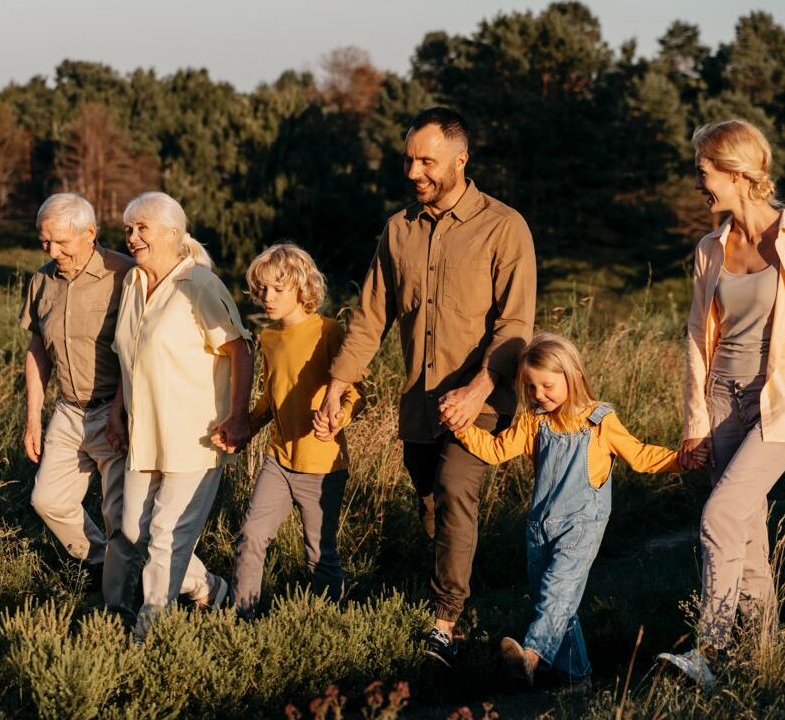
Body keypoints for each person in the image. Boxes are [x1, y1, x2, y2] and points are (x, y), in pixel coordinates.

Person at [316, 106, 536, 665]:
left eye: (427, 161)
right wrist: (339, 382)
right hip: (421, 402)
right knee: (432, 501)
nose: (414, 171)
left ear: (461, 160)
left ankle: (444, 623)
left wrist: (482, 388)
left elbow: (515, 326)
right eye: (409, 159)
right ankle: (462, 603)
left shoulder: (503, 227)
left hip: (483, 399)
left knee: (457, 487)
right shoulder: (398, 230)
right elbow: (370, 316)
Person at [657, 119, 785, 688]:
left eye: (703, 172)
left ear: (736, 174)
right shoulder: (709, 248)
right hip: (722, 403)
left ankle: (708, 650)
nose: (697, 185)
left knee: (718, 515)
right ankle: (761, 664)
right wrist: (695, 421)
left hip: (781, 408)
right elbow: (695, 337)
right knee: (747, 535)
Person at [447, 333, 686, 691]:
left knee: (557, 594)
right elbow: (496, 450)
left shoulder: (599, 421)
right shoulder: (535, 423)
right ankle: (577, 678)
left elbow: (639, 455)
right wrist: (461, 427)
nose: (539, 394)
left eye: (547, 385)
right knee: (557, 601)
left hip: (582, 527)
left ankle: (531, 657)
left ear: (571, 376)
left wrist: (681, 460)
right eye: (531, 388)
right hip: (540, 527)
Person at [109, 191, 252, 640]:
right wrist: (117, 412)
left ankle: (148, 636)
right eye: (129, 229)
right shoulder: (133, 283)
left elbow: (240, 349)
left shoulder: (200, 285)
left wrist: (239, 416)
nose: (132, 237)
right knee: (133, 531)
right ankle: (211, 589)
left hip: (196, 437)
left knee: (166, 538)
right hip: (143, 436)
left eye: (142, 228)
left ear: (173, 232)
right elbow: (129, 358)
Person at [226, 243, 363, 619]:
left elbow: (355, 391)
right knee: (251, 536)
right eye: (262, 289)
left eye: (277, 289)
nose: (266, 297)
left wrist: (339, 417)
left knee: (319, 553)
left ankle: (327, 622)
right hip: (279, 461)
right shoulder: (268, 339)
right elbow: (270, 402)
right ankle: (242, 619)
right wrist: (242, 431)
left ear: (301, 289)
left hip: (323, 466)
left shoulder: (329, 332)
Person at [20, 193, 134, 610]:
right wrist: (33, 417)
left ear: (90, 234)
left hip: (114, 410)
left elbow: (135, 351)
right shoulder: (42, 280)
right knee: (46, 500)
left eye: (61, 242)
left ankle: (117, 608)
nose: (52, 251)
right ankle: (104, 562)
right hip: (68, 410)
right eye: (44, 241)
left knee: (120, 515)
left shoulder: (126, 276)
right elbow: (37, 350)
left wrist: (121, 411)